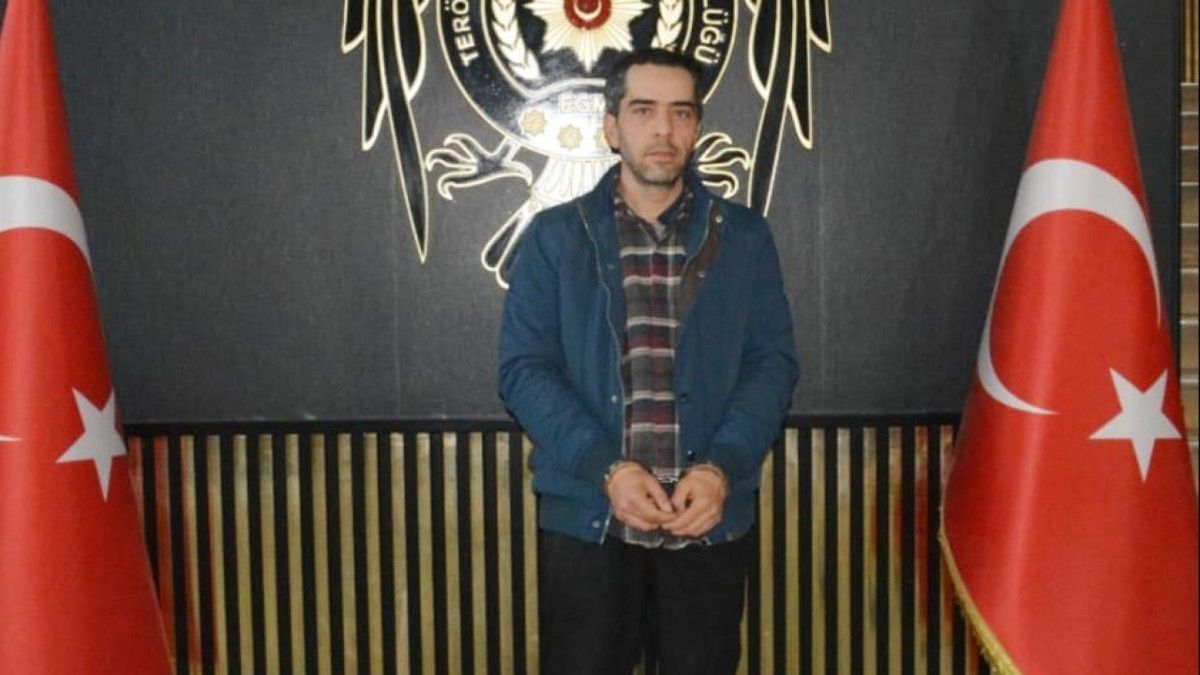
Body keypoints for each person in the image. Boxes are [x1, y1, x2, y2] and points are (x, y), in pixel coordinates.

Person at [498, 48, 797, 674]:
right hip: (589, 518)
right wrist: (606, 470)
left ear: (697, 128)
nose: (664, 129)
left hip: (707, 518)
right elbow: (524, 370)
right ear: (611, 127)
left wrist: (720, 469)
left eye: (681, 113)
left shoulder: (744, 237)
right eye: (643, 111)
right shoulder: (556, 237)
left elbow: (771, 365)